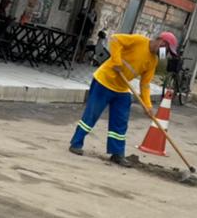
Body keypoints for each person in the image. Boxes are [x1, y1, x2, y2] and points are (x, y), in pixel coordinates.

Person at [69, 30, 178, 164]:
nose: (165, 54)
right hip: (104, 81)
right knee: (92, 115)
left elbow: (145, 85)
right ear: (162, 42)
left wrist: (148, 105)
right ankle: (76, 144)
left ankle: (117, 153)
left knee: (120, 121)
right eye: (167, 50)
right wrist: (116, 61)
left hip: (121, 88)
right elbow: (115, 39)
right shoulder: (139, 41)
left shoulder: (153, 61)